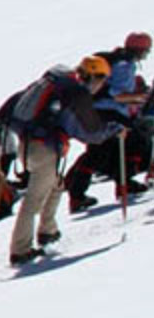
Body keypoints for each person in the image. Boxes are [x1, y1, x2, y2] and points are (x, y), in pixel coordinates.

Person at [0, 56, 122, 265]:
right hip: (44, 149)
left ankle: (48, 230)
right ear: (94, 76)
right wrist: (114, 129)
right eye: (101, 80)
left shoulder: (54, 83)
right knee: (33, 200)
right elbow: (91, 131)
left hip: (27, 145)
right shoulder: (76, 92)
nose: (100, 85)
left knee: (56, 185)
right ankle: (20, 250)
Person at [66, 33, 154, 212]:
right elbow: (116, 94)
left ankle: (121, 183)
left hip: (98, 112)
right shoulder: (125, 65)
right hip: (109, 113)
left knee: (117, 147)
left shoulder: (116, 59)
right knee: (107, 150)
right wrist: (137, 98)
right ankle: (80, 194)